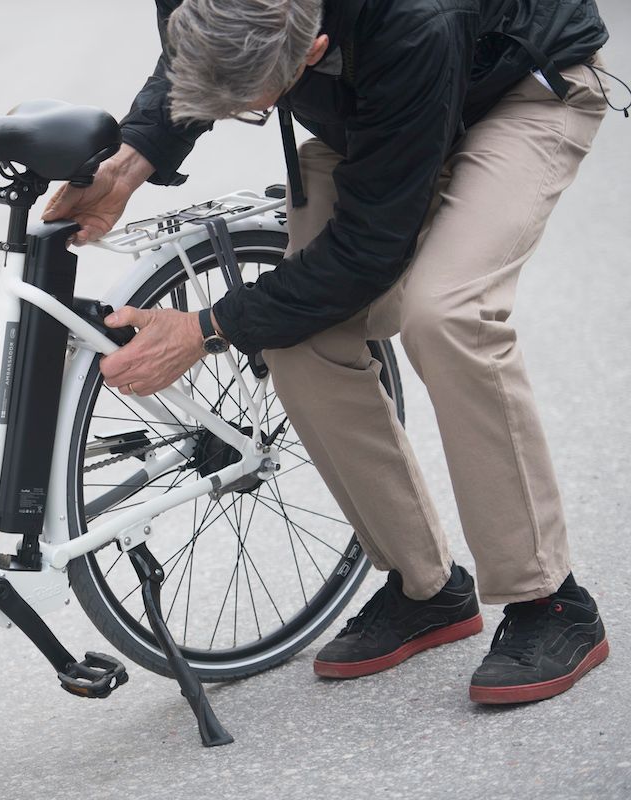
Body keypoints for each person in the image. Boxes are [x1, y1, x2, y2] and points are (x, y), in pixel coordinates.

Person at [43, 0, 620, 703]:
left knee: (447, 315)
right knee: (299, 335)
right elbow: (203, 51)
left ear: (311, 49)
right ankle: (427, 588)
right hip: (376, 110)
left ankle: (550, 601)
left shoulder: (417, 17)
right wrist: (131, 161)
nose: (239, 114)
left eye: (255, 106)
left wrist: (205, 328)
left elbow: (370, 249)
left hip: (519, 89)